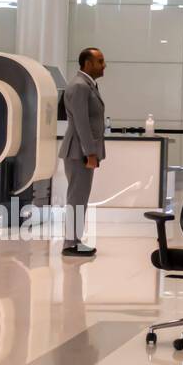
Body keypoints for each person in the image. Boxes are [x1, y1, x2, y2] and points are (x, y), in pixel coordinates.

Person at [59, 47, 106, 257]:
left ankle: (74, 240)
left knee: (80, 197)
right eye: (100, 61)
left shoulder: (87, 85)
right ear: (87, 63)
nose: (104, 65)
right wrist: (91, 153)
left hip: (82, 151)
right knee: (77, 197)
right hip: (79, 152)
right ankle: (71, 244)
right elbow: (81, 123)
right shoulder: (80, 86)